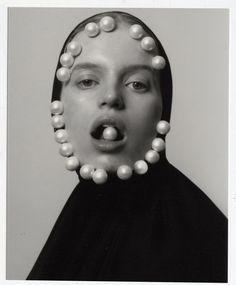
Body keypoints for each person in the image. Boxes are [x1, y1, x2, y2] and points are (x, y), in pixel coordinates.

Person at [27, 11, 227, 282]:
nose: (111, 97)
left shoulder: (207, 237)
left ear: (163, 110)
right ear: (57, 103)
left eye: (137, 84)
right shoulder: (79, 217)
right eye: (87, 81)